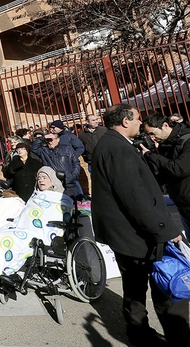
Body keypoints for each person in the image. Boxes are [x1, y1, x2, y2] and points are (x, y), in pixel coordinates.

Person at [92, 104, 190, 346]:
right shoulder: (117, 148)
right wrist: (165, 230)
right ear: (125, 121)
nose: (140, 123)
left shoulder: (113, 144)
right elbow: (135, 196)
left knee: (135, 288)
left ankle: (140, 333)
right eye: (137, 118)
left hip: (129, 233)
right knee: (163, 284)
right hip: (137, 234)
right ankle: (174, 335)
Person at [0, 166, 74, 279]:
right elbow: (26, 212)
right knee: (2, 233)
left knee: (12, 239)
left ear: (52, 180)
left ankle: (6, 271)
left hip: (42, 233)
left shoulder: (60, 198)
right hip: (25, 228)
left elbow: (57, 215)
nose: (41, 180)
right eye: (38, 178)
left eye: (44, 177)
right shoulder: (35, 195)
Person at [141, 113, 190, 236]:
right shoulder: (166, 144)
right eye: (148, 135)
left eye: (152, 133)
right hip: (182, 202)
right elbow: (166, 173)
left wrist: (150, 155)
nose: (151, 137)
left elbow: (178, 169)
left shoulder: (187, 140)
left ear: (165, 125)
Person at [31, 133, 82, 198]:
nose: (49, 142)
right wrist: (43, 137)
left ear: (58, 140)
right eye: (47, 140)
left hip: (68, 182)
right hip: (54, 184)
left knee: (72, 203)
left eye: (51, 140)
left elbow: (76, 162)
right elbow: (33, 148)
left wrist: (73, 176)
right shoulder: (44, 150)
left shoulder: (67, 149)